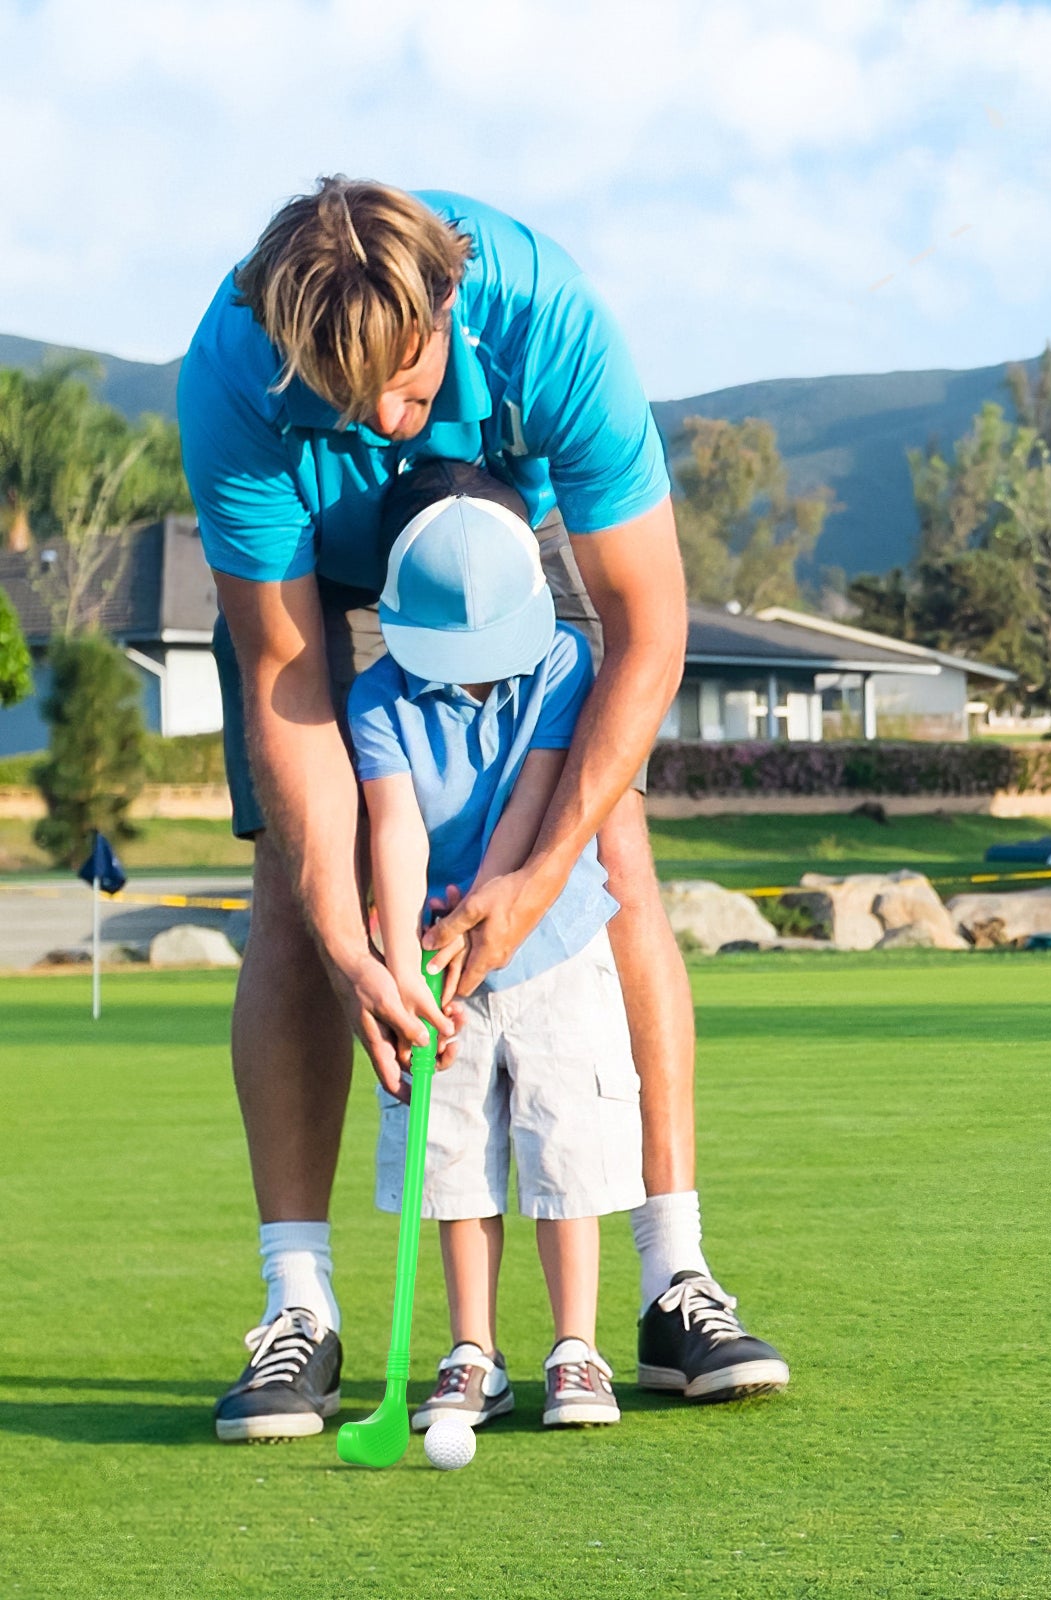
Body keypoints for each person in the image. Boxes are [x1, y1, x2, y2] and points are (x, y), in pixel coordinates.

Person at [181, 178, 787, 1442]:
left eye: (406, 386)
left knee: (611, 849)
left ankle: (674, 1276)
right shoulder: (236, 374)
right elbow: (291, 680)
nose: (388, 423)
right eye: (352, 405)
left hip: (496, 558)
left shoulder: (550, 321)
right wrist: (356, 941)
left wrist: (537, 867)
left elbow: (648, 628)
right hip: (334, 576)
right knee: (299, 892)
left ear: (449, 302)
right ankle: (300, 1309)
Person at [353, 472, 646, 1431]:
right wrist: (402, 969)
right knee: (454, 1159)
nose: (475, 675)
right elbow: (394, 830)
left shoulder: (562, 663)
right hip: (442, 966)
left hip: (554, 945)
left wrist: (494, 909)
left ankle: (577, 1349)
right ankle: (473, 1351)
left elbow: (535, 806)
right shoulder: (376, 699)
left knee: (567, 1145)